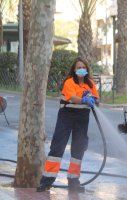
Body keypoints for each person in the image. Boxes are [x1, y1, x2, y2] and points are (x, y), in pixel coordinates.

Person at [37, 57, 100, 192]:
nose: (81, 69)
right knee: (57, 147)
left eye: (83, 67)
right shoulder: (69, 82)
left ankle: (74, 182)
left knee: (79, 148)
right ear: (74, 69)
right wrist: (84, 99)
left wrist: (94, 99)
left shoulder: (90, 84)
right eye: (78, 67)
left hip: (82, 118)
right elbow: (72, 98)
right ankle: (46, 181)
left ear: (87, 70)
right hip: (66, 115)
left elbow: (96, 97)